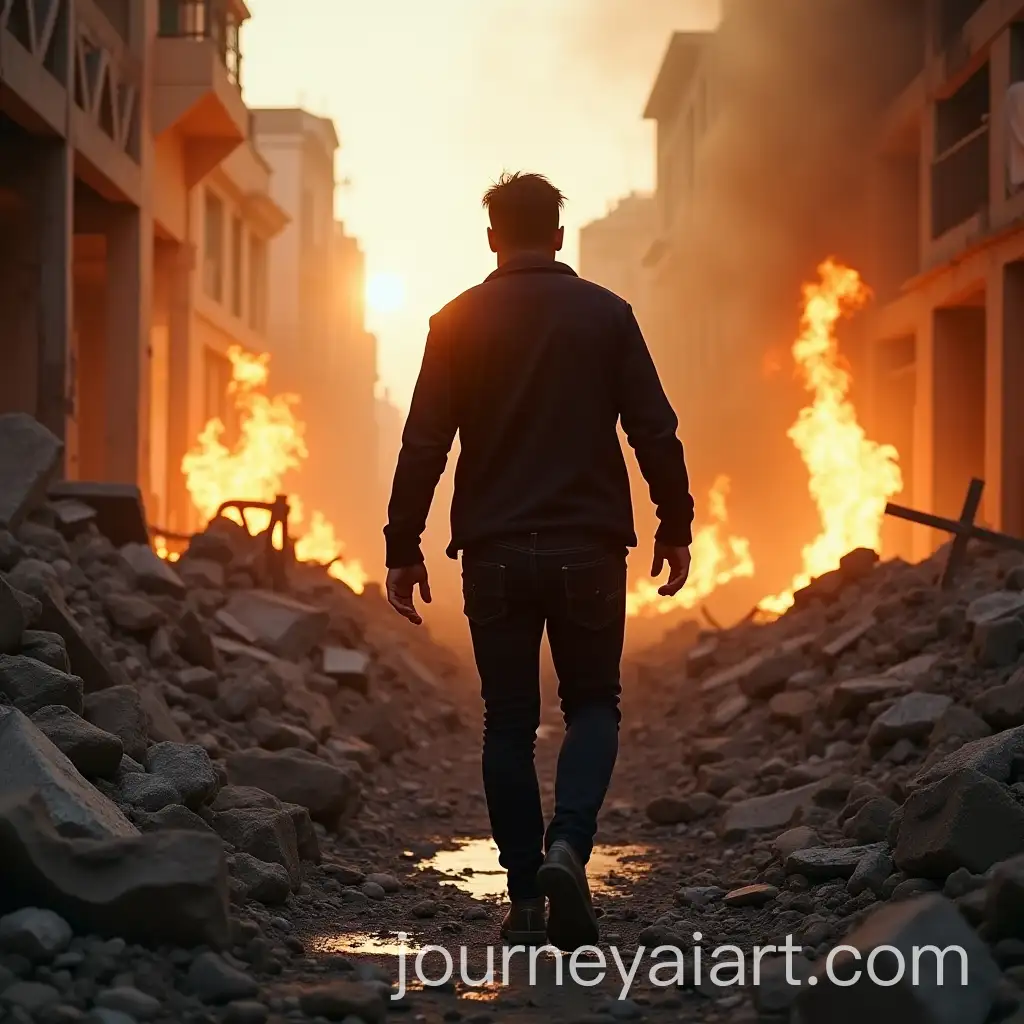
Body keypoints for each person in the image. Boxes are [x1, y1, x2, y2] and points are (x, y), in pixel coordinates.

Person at [383, 171, 695, 952]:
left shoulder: (453, 322)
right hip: (588, 547)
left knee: (509, 722)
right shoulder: (607, 315)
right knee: (592, 705)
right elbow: (654, 429)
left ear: (492, 237)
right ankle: (568, 847)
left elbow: (424, 443)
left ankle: (524, 898)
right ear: (560, 235)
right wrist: (675, 523)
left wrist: (402, 546)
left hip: (491, 552)